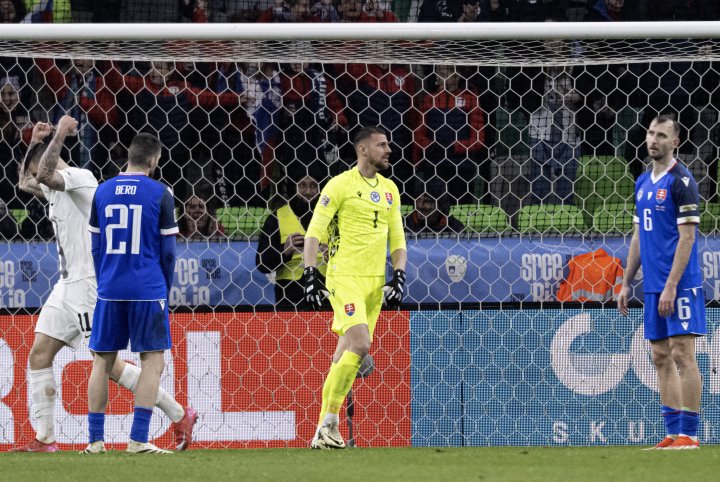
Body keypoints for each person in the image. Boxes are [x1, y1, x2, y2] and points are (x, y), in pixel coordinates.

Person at [11, 118, 196, 453]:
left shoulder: (79, 180)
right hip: (66, 285)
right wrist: (35, 143)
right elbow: (26, 180)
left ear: (52, 160)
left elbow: (41, 173)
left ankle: (178, 413)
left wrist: (60, 135)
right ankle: (46, 439)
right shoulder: (52, 183)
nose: (37, 169)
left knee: (106, 363)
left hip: (89, 285)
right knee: (39, 355)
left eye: (41, 159)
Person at [303, 126, 407, 449]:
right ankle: (330, 424)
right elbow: (314, 232)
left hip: (374, 284)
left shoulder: (391, 190)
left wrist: (399, 275)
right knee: (361, 345)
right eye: (381, 144)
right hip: (344, 277)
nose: (388, 149)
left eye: (388, 144)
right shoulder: (340, 185)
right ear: (363, 150)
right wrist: (310, 274)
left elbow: (398, 239)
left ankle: (322, 431)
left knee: (344, 354)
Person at [83, 133, 181, 454]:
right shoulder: (161, 193)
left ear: (129, 157)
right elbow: (168, 253)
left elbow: (96, 248)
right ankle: (138, 440)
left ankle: (95, 442)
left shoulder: (102, 191)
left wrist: (105, 281)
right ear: (153, 161)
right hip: (147, 288)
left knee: (102, 362)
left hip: (109, 289)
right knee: (153, 362)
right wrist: (164, 291)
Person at [617, 115, 705, 450]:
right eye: (651, 133)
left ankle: (690, 435)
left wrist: (671, 286)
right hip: (653, 284)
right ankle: (671, 434)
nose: (653, 139)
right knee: (659, 355)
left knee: (683, 353)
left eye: (662, 135)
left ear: (675, 142)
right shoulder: (642, 182)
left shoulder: (682, 181)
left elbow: (687, 239)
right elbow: (639, 235)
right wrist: (626, 282)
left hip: (680, 284)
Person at [256, 162, 328, 308]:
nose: (308, 191)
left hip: (327, 293)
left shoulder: (332, 217)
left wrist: (334, 255)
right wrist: (285, 251)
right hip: (290, 296)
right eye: (302, 185)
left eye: (314, 185)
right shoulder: (276, 218)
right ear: (294, 187)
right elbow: (262, 264)